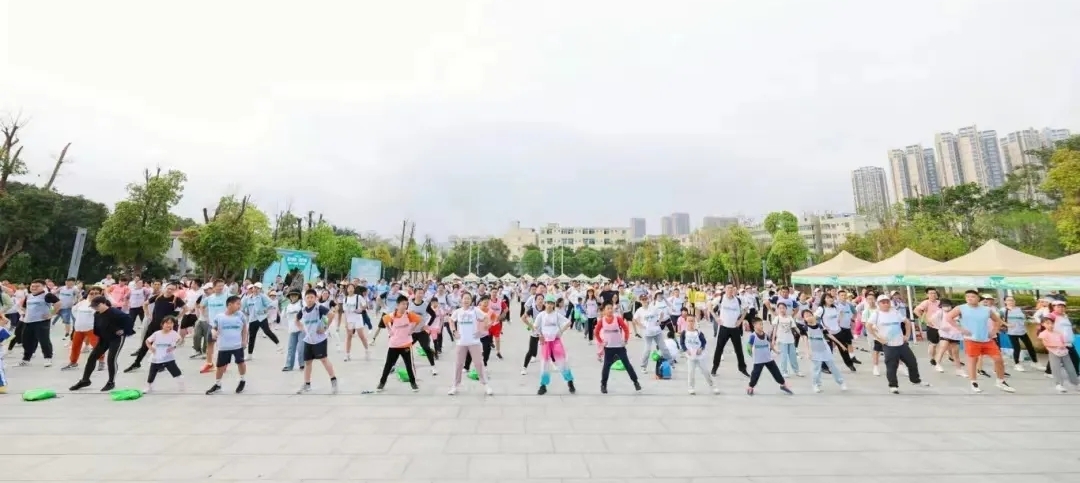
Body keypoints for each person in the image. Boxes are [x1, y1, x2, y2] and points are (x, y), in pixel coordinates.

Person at [942, 290, 1014, 394]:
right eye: (967, 297)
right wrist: (960, 328)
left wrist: (993, 331)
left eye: (972, 296)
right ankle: (974, 382)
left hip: (986, 339)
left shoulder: (986, 310)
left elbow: (997, 320)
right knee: (973, 360)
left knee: (998, 359)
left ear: (978, 299)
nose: (970, 298)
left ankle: (1000, 381)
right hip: (971, 339)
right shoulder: (961, 308)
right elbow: (948, 317)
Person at [69, 296, 134, 392]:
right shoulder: (97, 314)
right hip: (104, 338)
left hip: (116, 339)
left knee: (111, 359)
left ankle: (111, 382)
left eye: (97, 306)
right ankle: (85, 380)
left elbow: (129, 320)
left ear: (103, 303)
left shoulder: (115, 313)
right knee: (92, 357)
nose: (95, 308)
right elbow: (97, 326)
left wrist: (124, 331)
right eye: (93, 306)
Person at [868, 294, 930, 394]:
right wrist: (878, 338)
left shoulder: (895, 312)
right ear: (878, 304)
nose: (885, 304)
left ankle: (915, 380)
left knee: (912, 362)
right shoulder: (876, 314)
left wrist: (907, 335)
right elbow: (868, 326)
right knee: (892, 366)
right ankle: (893, 385)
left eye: (887, 301)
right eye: (883, 302)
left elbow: (907, 322)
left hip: (901, 343)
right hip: (889, 345)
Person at [126, 282, 185, 373]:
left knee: (163, 346)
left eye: (172, 289)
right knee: (145, 344)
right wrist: (148, 314)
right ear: (165, 288)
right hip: (153, 325)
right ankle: (137, 363)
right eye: (169, 288)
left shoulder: (176, 299)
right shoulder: (158, 297)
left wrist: (177, 318)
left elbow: (186, 308)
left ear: (175, 290)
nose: (170, 290)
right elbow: (145, 304)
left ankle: (162, 364)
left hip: (166, 328)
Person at [295, 289, 339, 394]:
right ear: (305, 299)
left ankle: (333, 380)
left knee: (324, 360)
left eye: (312, 297)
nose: (310, 299)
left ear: (315, 298)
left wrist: (325, 327)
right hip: (308, 340)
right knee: (307, 362)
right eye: (308, 297)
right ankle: (307, 384)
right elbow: (296, 320)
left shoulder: (319, 308)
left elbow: (331, 315)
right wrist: (302, 328)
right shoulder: (303, 310)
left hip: (320, 339)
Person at [377, 295, 422, 392]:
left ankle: (413, 383)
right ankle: (382, 383)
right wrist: (389, 330)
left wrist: (412, 329)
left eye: (406, 304)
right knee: (388, 365)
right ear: (397, 305)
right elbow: (384, 319)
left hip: (406, 344)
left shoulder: (409, 314)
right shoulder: (392, 315)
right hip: (394, 345)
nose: (405, 306)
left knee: (409, 365)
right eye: (403, 304)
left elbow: (418, 320)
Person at [206, 296, 248, 395]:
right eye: (237, 304)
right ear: (229, 305)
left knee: (240, 363)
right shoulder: (219, 317)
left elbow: (245, 328)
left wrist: (244, 340)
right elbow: (214, 328)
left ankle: (242, 380)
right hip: (224, 346)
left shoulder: (241, 316)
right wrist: (213, 332)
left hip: (237, 345)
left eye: (240, 304)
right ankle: (218, 384)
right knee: (220, 366)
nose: (239, 306)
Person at [596, 302, 642, 394]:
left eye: (611, 308)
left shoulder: (618, 319)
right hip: (608, 348)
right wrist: (601, 342)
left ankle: (636, 382)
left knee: (627, 365)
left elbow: (625, 329)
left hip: (619, 347)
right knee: (606, 367)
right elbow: (596, 332)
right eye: (608, 308)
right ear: (604, 310)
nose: (610, 310)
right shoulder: (602, 320)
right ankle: (603, 385)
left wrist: (625, 340)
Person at [533, 294, 574, 395]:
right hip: (545, 343)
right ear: (545, 304)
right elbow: (535, 327)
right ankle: (543, 385)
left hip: (556, 342)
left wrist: (561, 331)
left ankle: (570, 382)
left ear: (553, 305)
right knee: (544, 364)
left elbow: (568, 322)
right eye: (548, 303)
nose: (549, 305)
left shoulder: (556, 315)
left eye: (552, 303)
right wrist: (540, 335)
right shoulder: (541, 315)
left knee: (562, 362)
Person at [802, 309, 847, 393]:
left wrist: (840, 344)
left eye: (809, 314)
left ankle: (841, 382)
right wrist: (808, 352)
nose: (808, 316)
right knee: (816, 369)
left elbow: (829, 335)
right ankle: (816, 385)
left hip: (825, 349)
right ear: (804, 318)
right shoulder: (804, 328)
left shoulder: (820, 326)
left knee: (833, 367)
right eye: (806, 315)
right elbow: (805, 341)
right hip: (814, 350)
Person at [745, 318, 793, 396]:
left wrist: (775, 351)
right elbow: (749, 346)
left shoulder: (766, 335)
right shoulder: (753, 336)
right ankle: (750, 387)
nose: (761, 326)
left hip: (768, 358)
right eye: (760, 324)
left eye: (762, 324)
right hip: (758, 360)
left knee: (776, 371)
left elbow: (770, 344)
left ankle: (783, 385)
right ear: (754, 325)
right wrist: (750, 353)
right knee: (755, 374)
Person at [61, 286, 104, 372]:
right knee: (75, 346)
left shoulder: (102, 305)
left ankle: (101, 362)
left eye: (96, 293)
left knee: (96, 346)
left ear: (100, 294)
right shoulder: (82, 303)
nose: (93, 295)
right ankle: (73, 362)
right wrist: (79, 320)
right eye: (92, 293)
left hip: (92, 329)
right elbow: (74, 310)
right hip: (79, 328)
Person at [1038, 316, 1079, 393]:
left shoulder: (1058, 332)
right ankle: (1059, 384)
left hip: (1064, 352)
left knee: (1071, 369)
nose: (1051, 325)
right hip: (1054, 353)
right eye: (1048, 323)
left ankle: (1076, 383)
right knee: (1056, 369)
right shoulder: (1043, 334)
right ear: (1043, 324)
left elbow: (1063, 341)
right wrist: (1057, 346)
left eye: (1052, 323)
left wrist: (1064, 345)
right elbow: (1046, 344)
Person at [144, 315, 184, 393]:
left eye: (171, 323)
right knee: (152, 372)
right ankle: (149, 387)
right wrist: (151, 348)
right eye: (167, 323)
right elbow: (147, 341)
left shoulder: (173, 333)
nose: (169, 325)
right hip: (156, 356)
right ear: (162, 324)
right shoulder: (157, 333)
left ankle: (181, 385)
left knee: (175, 371)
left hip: (168, 356)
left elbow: (180, 339)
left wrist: (174, 346)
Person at [680, 314, 716, 395]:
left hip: (700, 356)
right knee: (691, 372)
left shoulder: (698, 332)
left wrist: (701, 348)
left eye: (692, 321)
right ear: (686, 321)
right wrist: (686, 350)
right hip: (690, 357)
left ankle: (712, 385)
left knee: (706, 371)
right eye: (689, 321)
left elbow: (704, 342)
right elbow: (682, 343)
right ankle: (691, 387)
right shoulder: (684, 333)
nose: (691, 323)